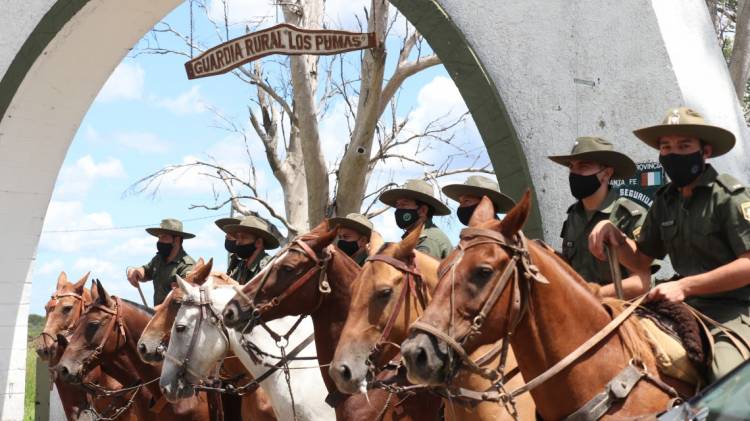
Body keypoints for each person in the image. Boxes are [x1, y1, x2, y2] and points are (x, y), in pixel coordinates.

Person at [589, 107, 750, 381]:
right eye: (666, 147)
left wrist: (684, 286)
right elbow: (641, 259)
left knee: (727, 379)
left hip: (736, 309)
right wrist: (615, 234)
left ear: (705, 152)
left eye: (684, 146)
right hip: (686, 305)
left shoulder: (728, 196)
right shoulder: (665, 200)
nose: (673, 153)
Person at [548, 136, 651, 298]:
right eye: (571, 166)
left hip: (624, 313)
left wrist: (590, 295)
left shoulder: (628, 215)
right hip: (583, 311)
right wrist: (547, 255)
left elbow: (641, 283)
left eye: (583, 166)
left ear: (607, 173)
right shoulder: (573, 216)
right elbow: (572, 268)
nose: (575, 173)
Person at [127, 219, 196, 306]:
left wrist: (153, 313)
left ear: (177, 240)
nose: (160, 241)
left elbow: (185, 301)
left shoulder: (187, 266)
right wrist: (136, 271)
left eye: (164, 237)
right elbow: (146, 271)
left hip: (176, 318)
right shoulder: (159, 259)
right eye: (159, 237)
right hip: (157, 316)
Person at [379, 179, 452, 260]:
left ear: (423, 210)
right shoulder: (414, 237)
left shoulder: (429, 240)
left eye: (404, 204)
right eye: (398, 205)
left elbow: (420, 270)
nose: (398, 210)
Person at [223, 215, 280, 285]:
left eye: (243, 237)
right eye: (237, 237)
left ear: (258, 242)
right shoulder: (241, 266)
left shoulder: (269, 267)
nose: (238, 242)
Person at [442, 175, 515, 225]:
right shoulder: (473, 236)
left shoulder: (499, 236)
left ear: (486, 204)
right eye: (460, 202)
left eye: (467, 201)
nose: (461, 206)